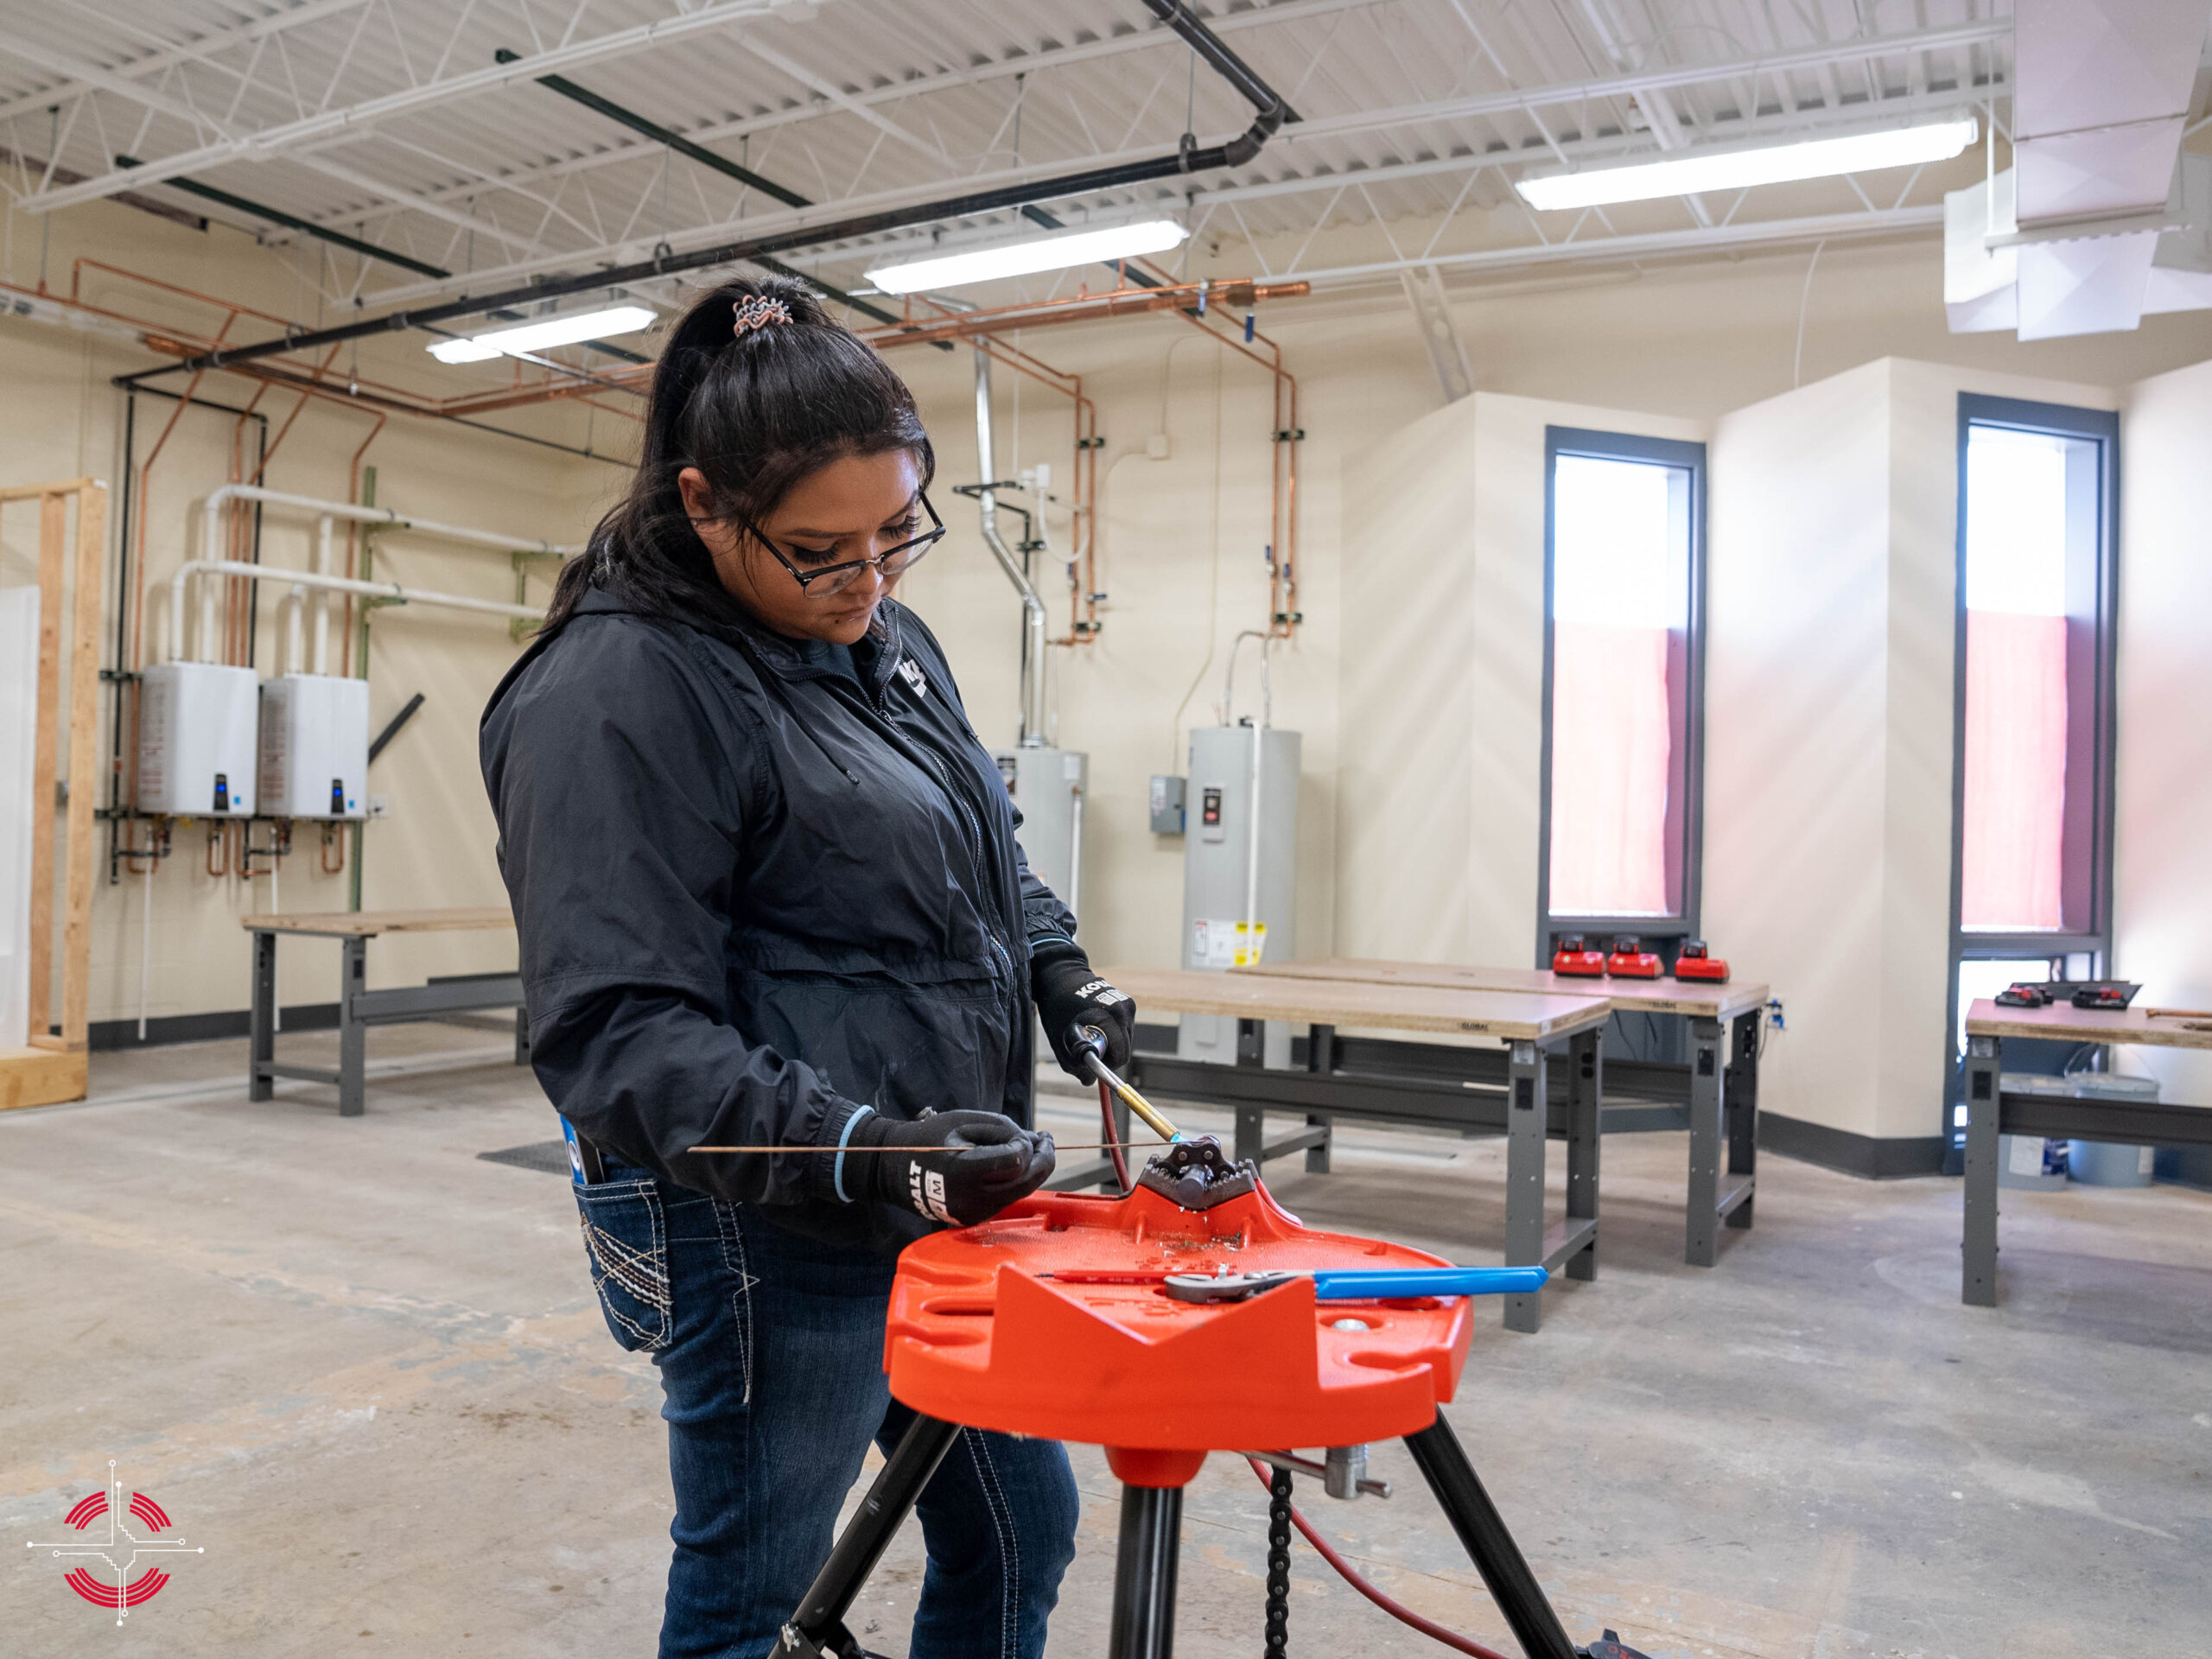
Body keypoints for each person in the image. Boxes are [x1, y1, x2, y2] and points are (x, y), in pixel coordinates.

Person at [480, 276, 1141, 1659]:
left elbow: (978, 839)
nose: (870, 582)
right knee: (751, 1597)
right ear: (708, 503)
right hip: (765, 1224)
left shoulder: (890, 642)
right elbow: (615, 1031)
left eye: (897, 534)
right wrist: (863, 1147)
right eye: (820, 553)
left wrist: (1057, 966)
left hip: (924, 1195)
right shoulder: (619, 691)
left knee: (1024, 1528)